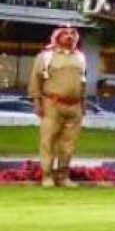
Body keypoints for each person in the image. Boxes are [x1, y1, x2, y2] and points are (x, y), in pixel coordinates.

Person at [27, 23, 87, 187]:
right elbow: (35, 79)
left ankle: (63, 176)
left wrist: (83, 104)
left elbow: (83, 82)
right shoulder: (46, 56)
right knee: (48, 141)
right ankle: (47, 176)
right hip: (52, 105)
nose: (69, 36)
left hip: (74, 107)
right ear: (57, 36)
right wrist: (37, 102)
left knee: (68, 144)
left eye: (72, 33)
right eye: (65, 33)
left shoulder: (80, 57)